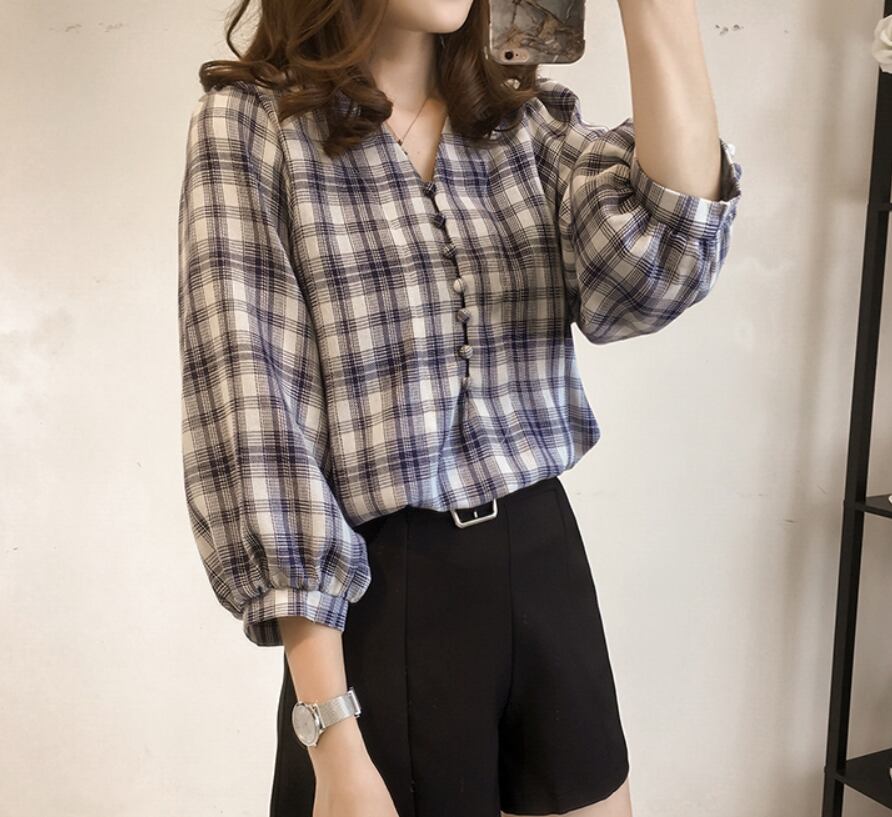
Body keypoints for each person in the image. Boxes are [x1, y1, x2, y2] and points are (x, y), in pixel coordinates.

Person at [177, 0, 743, 815]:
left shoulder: (523, 125)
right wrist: (330, 733)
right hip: (387, 594)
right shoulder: (252, 127)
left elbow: (663, 255)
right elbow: (254, 425)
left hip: (545, 562)